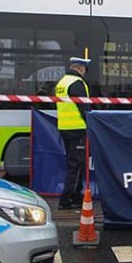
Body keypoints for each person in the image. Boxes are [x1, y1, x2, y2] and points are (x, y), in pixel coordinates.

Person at [55, 56, 91, 210]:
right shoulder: (77, 83)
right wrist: (91, 122)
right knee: (75, 166)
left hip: (65, 128)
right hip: (78, 128)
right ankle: (66, 200)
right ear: (81, 68)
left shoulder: (62, 82)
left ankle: (76, 198)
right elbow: (84, 107)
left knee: (77, 164)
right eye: (85, 70)